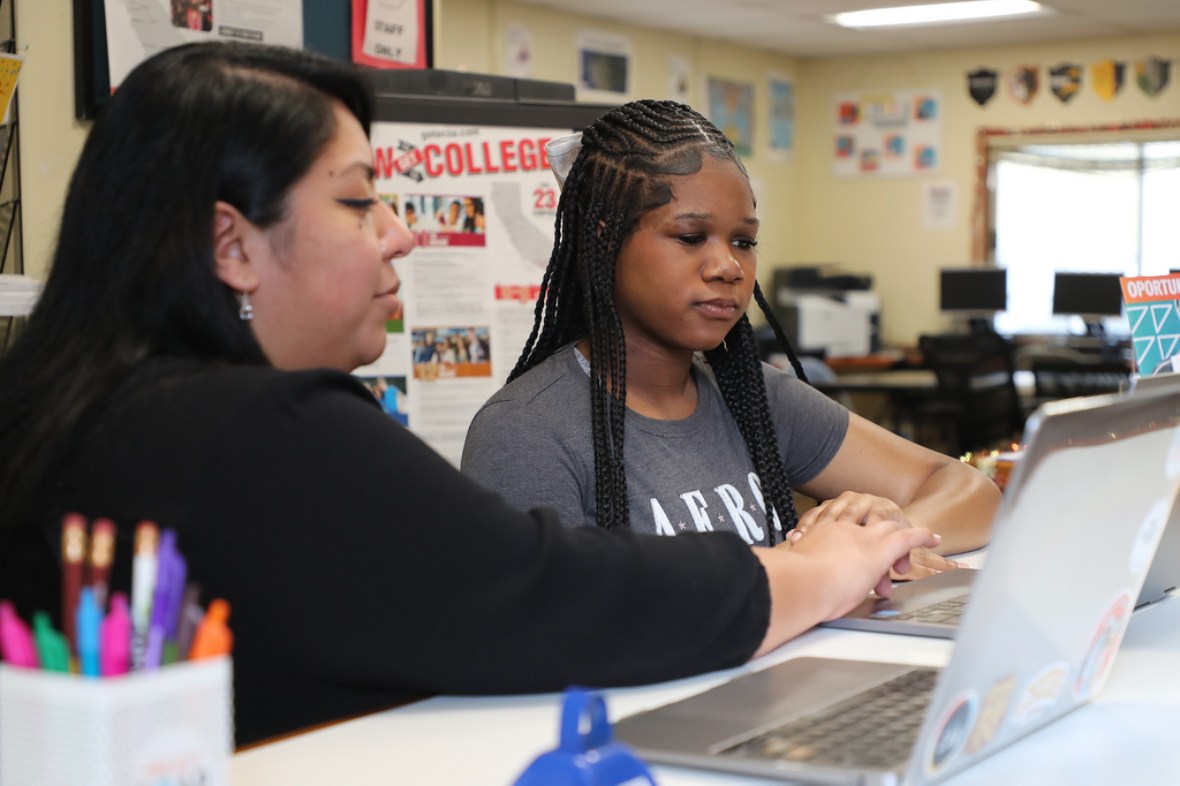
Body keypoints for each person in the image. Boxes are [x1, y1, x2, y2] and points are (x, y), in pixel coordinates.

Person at [0, 46, 936, 746]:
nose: (400, 237)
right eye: (361, 200)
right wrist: (815, 570)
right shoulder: (260, 428)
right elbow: (545, 594)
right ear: (233, 244)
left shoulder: (63, 406)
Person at [462, 100, 999, 576]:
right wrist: (812, 565)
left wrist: (886, 533)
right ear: (605, 242)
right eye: (691, 237)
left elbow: (972, 491)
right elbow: (557, 623)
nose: (728, 267)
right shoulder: (525, 431)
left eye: (744, 241)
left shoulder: (752, 395)